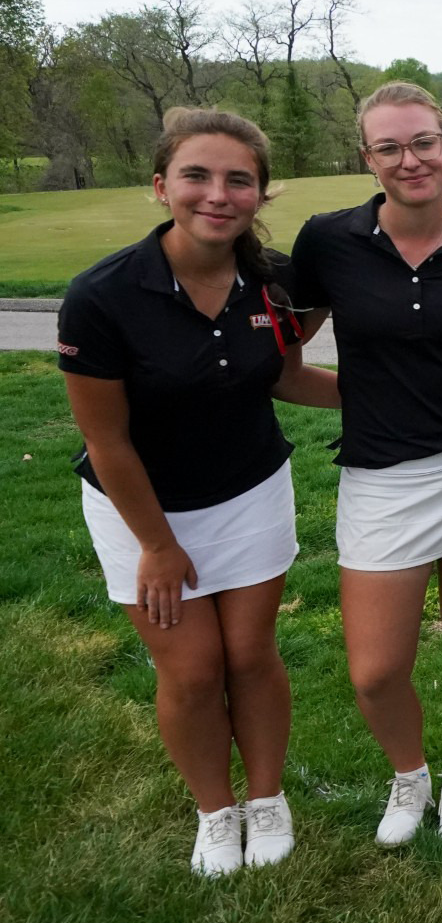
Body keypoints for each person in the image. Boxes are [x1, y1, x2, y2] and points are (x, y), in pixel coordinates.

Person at [57, 107, 339, 876]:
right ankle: (216, 812)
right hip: (138, 507)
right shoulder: (102, 296)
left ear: (260, 194)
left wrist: (389, 398)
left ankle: (268, 798)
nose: (218, 194)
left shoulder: (272, 283)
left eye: (238, 180)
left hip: (248, 490)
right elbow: (107, 441)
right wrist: (156, 545)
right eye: (197, 176)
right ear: (160, 187)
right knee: (191, 671)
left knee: (250, 655)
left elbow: (285, 376)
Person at [290, 82, 442, 848]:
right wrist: (360, 400)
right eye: (390, 147)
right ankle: (409, 774)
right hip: (381, 476)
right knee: (375, 669)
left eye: (424, 142)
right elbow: (281, 363)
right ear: (368, 158)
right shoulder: (327, 242)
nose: (411, 159)